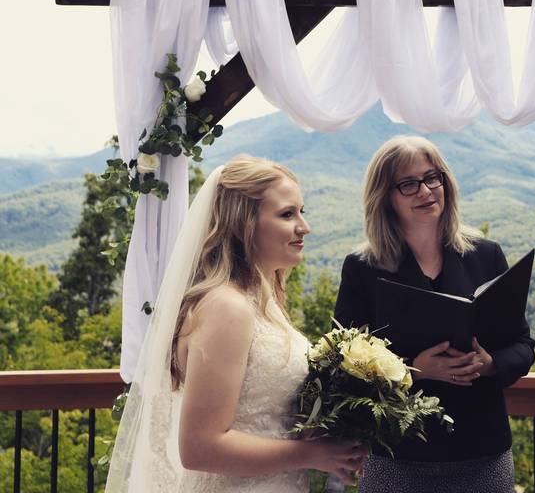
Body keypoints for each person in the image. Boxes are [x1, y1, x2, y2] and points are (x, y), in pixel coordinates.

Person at [106, 155, 366, 493]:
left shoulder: (262, 303)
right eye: (287, 214)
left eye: (302, 212)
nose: (304, 226)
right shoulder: (226, 307)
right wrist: (310, 453)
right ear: (244, 223)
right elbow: (200, 447)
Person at [335, 135, 535, 493]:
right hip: (397, 454)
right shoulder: (362, 268)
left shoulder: (486, 255)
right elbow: (343, 368)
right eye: (408, 184)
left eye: (432, 178)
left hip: (481, 452)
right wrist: (414, 370)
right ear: (385, 197)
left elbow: (523, 345)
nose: (426, 191)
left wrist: (490, 365)